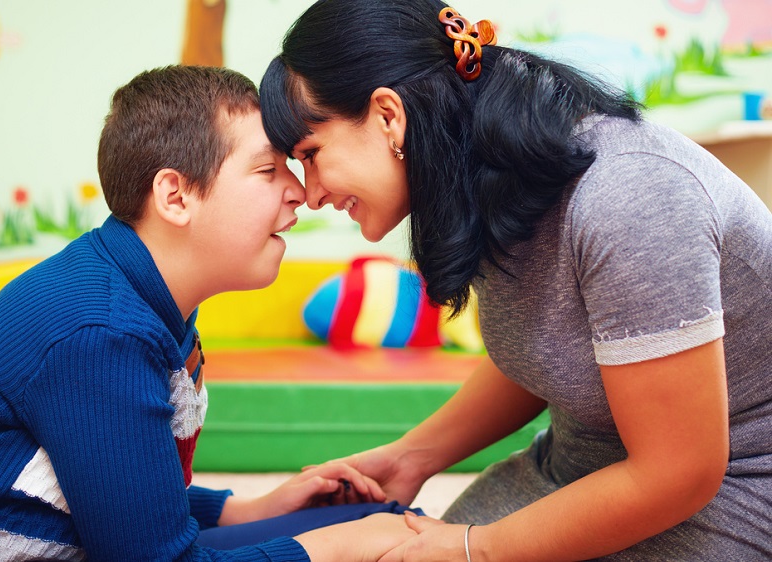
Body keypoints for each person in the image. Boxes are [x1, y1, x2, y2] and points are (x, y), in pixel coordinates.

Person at [259, 1, 772, 560]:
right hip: (584, 465)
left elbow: (681, 472)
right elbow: (551, 345)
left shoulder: (629, 194)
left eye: (311, 154)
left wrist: (476, 548)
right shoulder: (483, 172)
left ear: (388, 115)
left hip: (731, 488)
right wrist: (413, 456)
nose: (309, 194)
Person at [0, 65, 417, 561]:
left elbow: (119, 490)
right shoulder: (100, 332)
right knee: (372, 541)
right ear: (175, 196)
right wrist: (343, 549)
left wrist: (251, 510)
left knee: (380, 524)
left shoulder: (143, 298)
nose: (300, 191)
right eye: (267, 170)